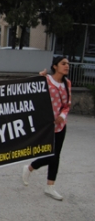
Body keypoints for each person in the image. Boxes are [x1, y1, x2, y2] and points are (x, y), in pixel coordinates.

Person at [22, 56, 71, 201]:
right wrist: (38, 78)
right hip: (46, 125)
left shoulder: (67, 83)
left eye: (68, 64)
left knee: (56, 155)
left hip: (60, 125)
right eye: (63, 63)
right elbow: (33, 95)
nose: (67, 66)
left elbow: (67, 104)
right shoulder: (46, 80)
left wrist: (62, 115)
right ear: (55, 66)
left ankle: (50, 186)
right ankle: (30, 167)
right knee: (52, 155)